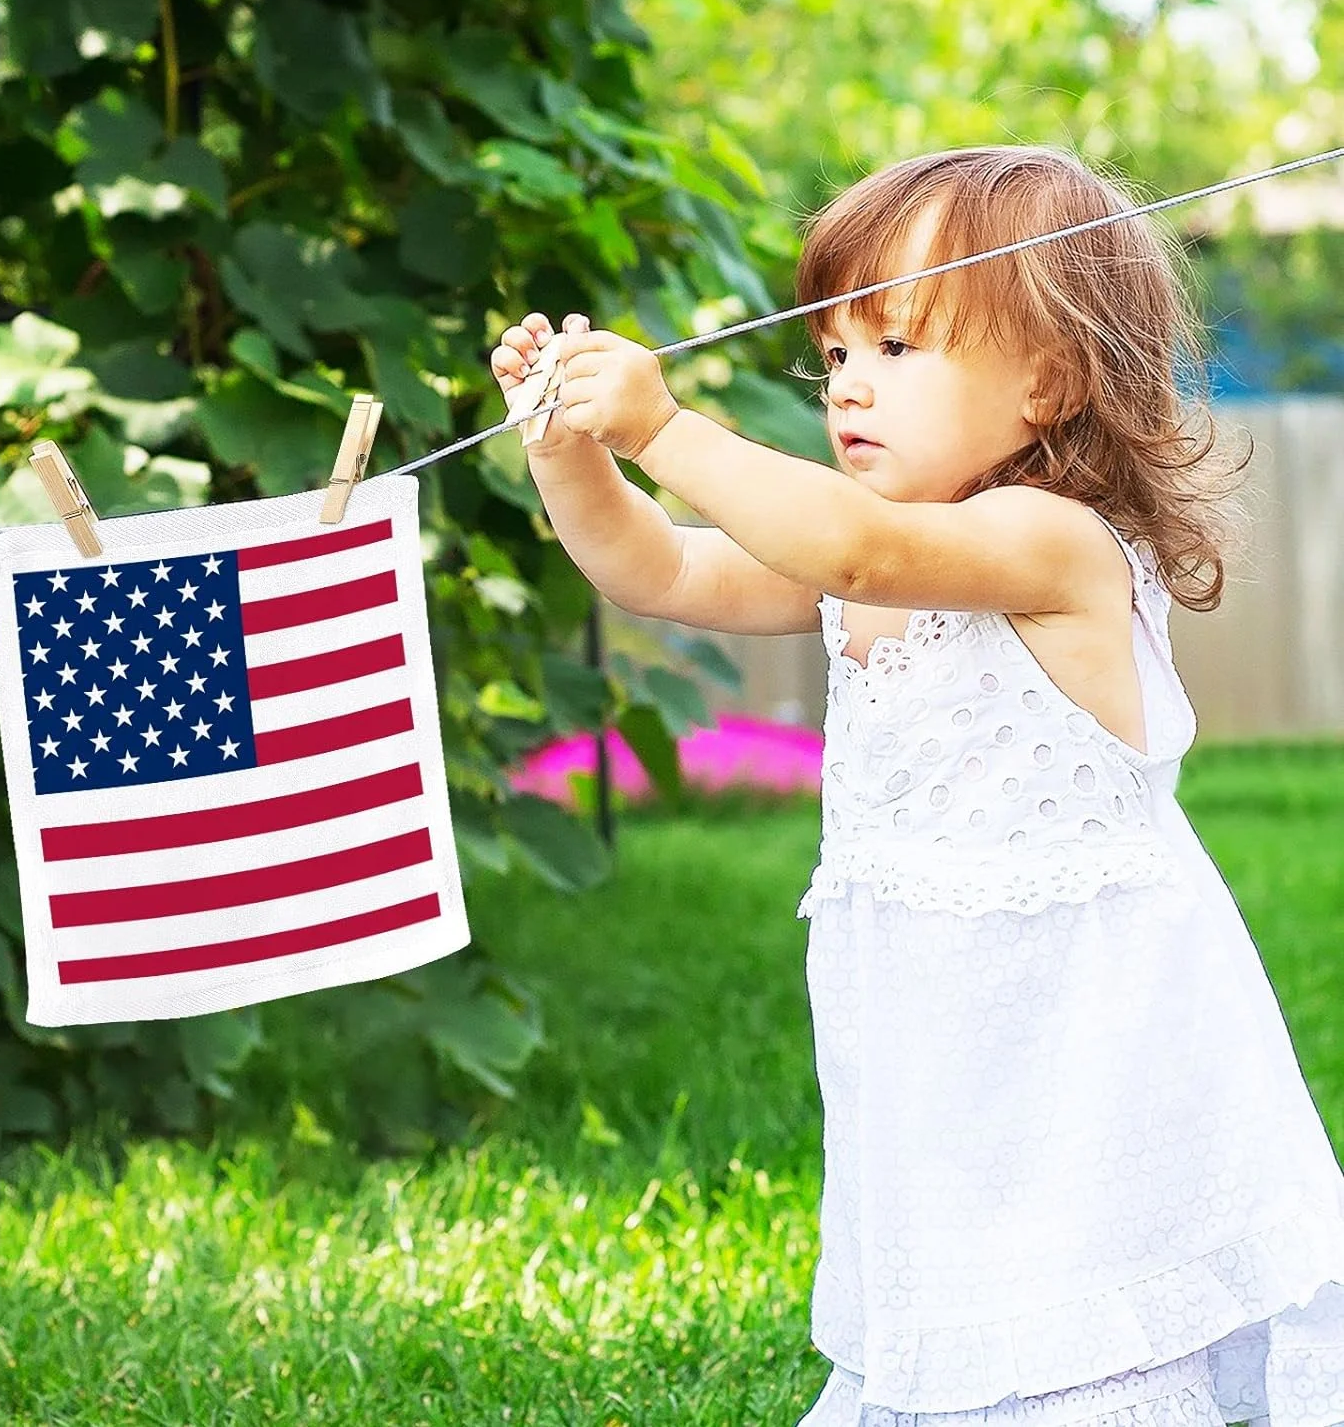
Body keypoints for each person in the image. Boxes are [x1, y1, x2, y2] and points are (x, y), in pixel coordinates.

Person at [488, 144, 1344, 1427]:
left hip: (1090, 1042)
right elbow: (661, 571)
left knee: (1080, 1306)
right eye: (833, 355)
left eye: (896, 348)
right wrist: (570, 452)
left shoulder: (1047, 543)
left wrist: (665, 423)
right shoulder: (862, 554)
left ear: (1050, 380)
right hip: (936, 1035)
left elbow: (861, 545)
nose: (849, 389)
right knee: (961, 1272)